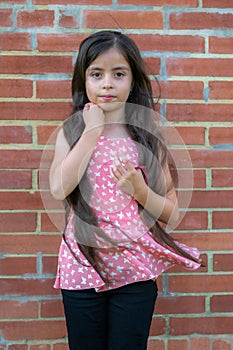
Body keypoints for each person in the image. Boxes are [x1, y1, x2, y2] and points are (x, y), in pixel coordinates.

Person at [49, 30, 201, 350]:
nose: (107, 83)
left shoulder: (145, 137)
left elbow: (172, 211)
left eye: (118, 74)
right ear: (84, 80)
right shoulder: (73, 132)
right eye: (97, 74)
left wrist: (140, 190)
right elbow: (59, 188)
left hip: (134, 275)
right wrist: (92, 132)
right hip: (82, 271)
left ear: (132, 81)